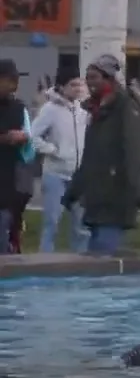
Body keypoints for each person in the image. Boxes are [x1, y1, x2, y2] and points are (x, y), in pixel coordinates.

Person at [64, 55, 140, 255]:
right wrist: (73, 191)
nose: (89, 82)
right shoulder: (97, 111)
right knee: (96, 260)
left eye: (95, 77)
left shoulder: (125, 108)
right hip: (97, 198)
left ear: (110, 78)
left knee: (103, 261)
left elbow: (135, 152)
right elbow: (90, 158)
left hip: (115, 198)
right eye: (88, 77)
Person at [29, 70, 89, 252]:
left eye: (80, 84)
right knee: (52, 222)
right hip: (55, 174)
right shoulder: (50, 110)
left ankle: (80, 263)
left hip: (78, 175)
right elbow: (33, 136)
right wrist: (54, 150)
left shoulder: (82, 111)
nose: (78, 88)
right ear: (62, 87)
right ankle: (45, 260)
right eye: (73, 85)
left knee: (81, 225)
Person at [0, 59, 34, 253]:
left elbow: (29, 144)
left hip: (9, 183)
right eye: (9, 80)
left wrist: (23, 138)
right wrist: (6, 138)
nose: (13, 85)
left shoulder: (19, 108)